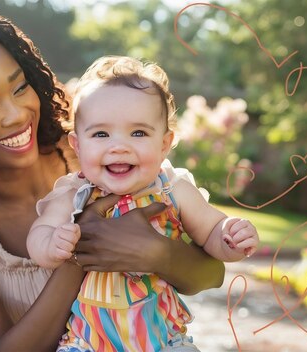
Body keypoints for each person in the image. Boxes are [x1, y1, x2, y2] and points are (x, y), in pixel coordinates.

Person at [0, 9, 226, 352]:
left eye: (19, 87)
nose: (16, 115)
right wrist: (82, 252)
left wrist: (158, 254)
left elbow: (210, 274)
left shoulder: (102, 151)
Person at [26, 56, 260, 351]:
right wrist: (51, 245)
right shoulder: (74, 192)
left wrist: (231, 237)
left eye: (138, 133)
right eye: (101, 134)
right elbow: (39, 233)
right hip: (87, 340)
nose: (119, 146)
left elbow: (212, 231)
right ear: (78, 145)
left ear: (164, 144)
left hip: (162, 338)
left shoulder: (174, 189)